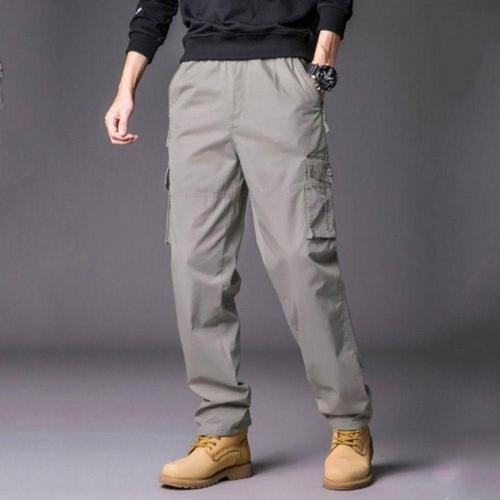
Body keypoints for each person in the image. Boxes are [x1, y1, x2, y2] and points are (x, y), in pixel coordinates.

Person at [105, 0, 374, 491]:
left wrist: (322, 63)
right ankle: (223, 431)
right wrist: (126, 88)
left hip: (281, 75)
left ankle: (349, 425)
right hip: (199, 82)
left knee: (301, 257)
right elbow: (156, 4)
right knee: (195, 263)